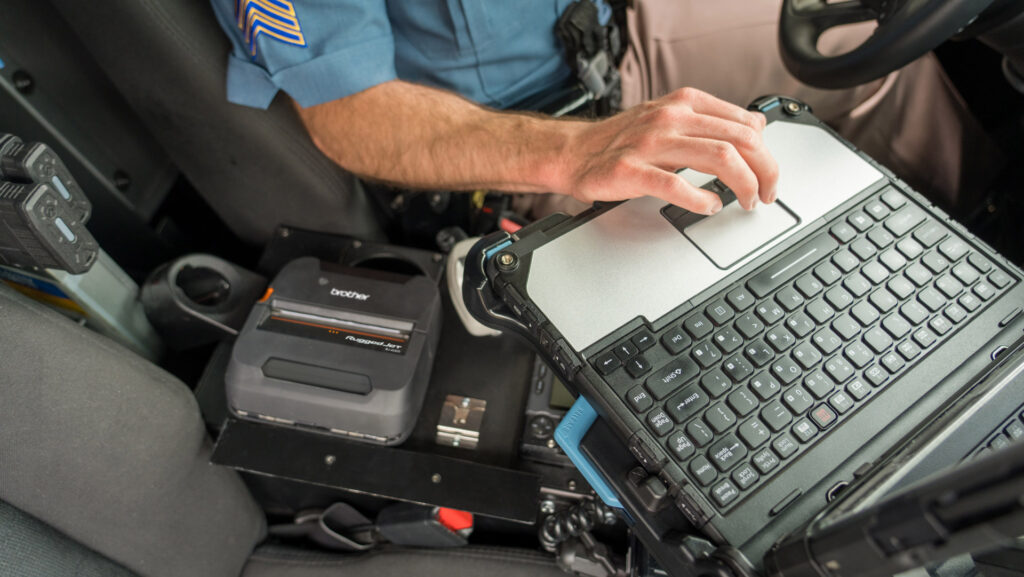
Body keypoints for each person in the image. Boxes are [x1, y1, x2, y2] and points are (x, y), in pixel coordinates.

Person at [211, 0, 1000, 218]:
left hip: (621, 26)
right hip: (529, 132)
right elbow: (353, 113)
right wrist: (569, 154)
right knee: (711, 219)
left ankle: (974, 248)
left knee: (873, 41)